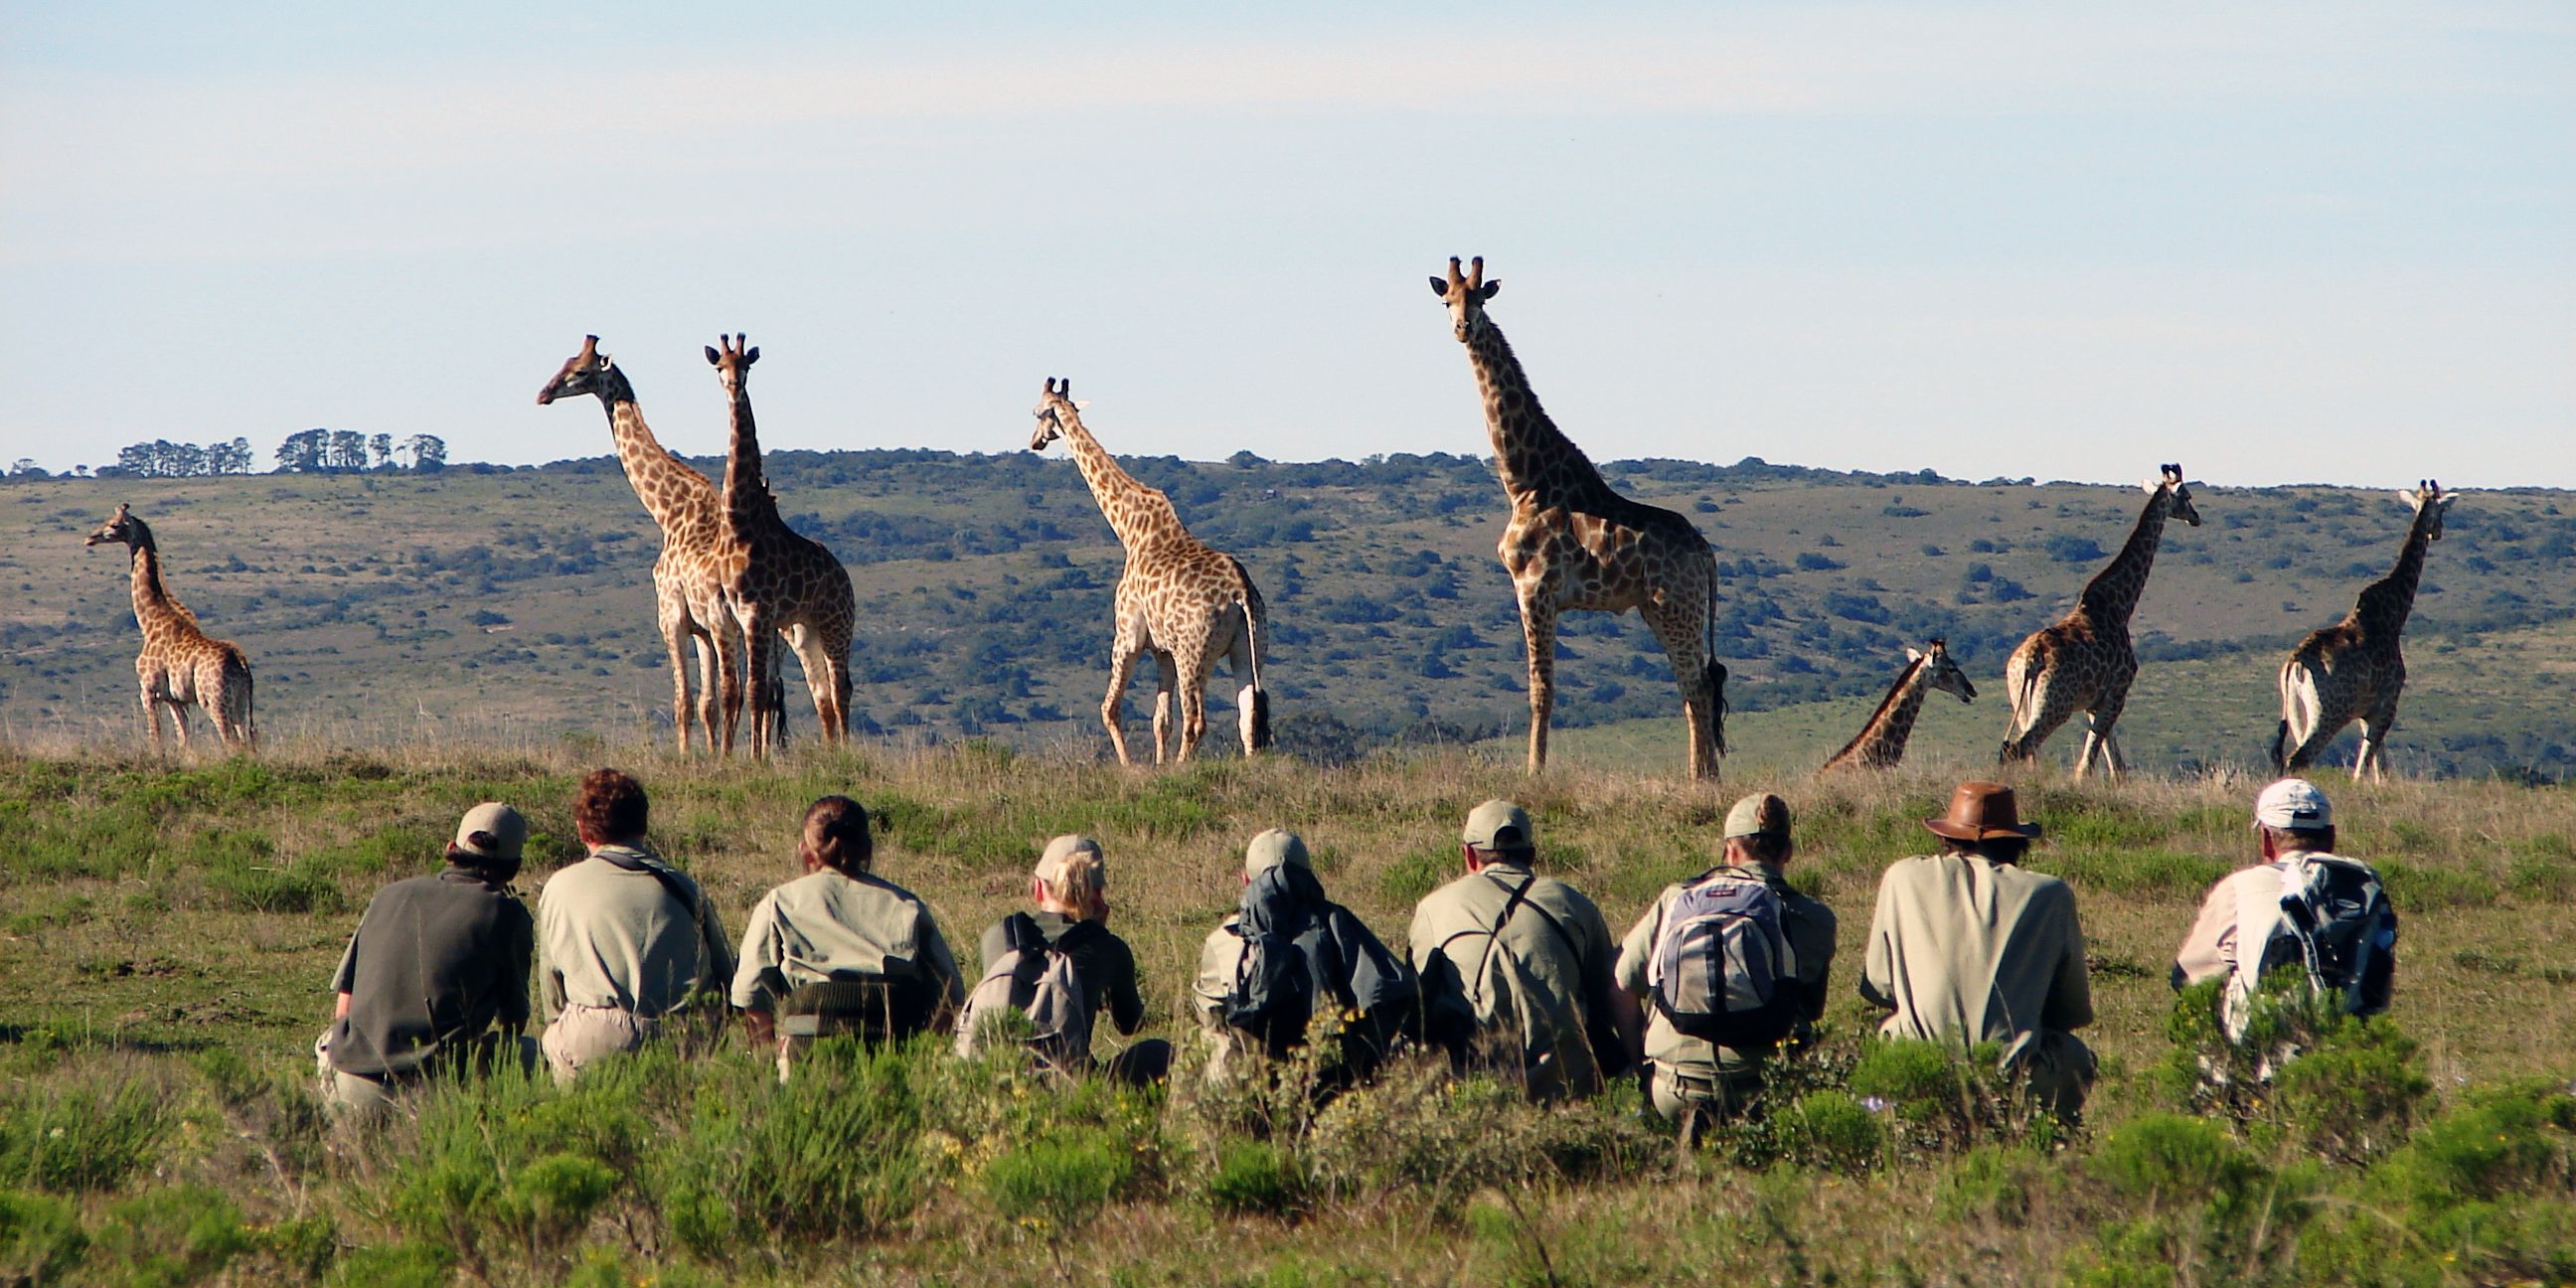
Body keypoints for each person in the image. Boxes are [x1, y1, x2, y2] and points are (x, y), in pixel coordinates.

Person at [1857, 780, 2095, 1120]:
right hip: (2013, 1079)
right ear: (2016, 842)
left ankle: (1889, 1124)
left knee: (1886, 1032)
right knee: (2074, 1054)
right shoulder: (2050, 893)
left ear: (1946, 837)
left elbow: (1879, 987)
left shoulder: (1902, 876)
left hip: (1919, 1068)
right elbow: (2071, 1013)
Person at [1614, 792, 1836, 1129]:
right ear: (1788, 852)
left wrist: (1644, 1070)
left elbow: (1622, 984)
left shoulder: (1677, 900)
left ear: (1730, 851)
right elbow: (1812, 1009)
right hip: (1764, 1091)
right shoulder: (1817, 917)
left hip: (1675, 1090)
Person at [317, 803, 537, 1114]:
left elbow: (344, 1009)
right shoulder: (507, 914)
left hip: (350, 1080)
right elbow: (513, 1022)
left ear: (451, 848)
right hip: (431, 1090)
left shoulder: (388, 895)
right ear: (515, 867)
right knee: (529, 1053)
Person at [1411, 800, 1635, 1100]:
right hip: (1567, 1086)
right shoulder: (1575, 904)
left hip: (1475, 1088)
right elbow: (1605, 999)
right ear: (1531, 855)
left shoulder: (1434, 908)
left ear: (1468, 854)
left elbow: (1417, 1006)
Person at [730, 795, 966, 1078]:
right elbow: (950, 993)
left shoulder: (780, 902)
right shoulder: (906, 905)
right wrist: (923, 1057)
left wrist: (767, 1066)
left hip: (809, 1051)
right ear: (867, 851)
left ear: (806, 852)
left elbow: (751, 995)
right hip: (892, 1053)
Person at [535, 768, 733, 1083]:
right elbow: (726, 978)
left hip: (593, 1040)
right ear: (643, 825)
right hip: (677, 1037)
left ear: (583, 831)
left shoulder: (559, 887)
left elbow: (553, 994)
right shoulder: (683, 886)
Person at [2174, 778, 2397, 1042]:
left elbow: (2190, 976)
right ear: (2331, 836)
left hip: (2264, 1048)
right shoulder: (2367, 886)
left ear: (2266, 839)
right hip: (2350, 1046)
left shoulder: (2240, 887)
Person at [1193, 828, 1417, 1088]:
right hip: (1335, 1084)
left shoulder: (1223, 940)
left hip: (1249, 1085)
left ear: (1245, 881)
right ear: (1308, 878)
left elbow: (1211, 1016)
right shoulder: (1340, 926)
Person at [969, 835, 1170, 1083]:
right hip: (1065, 1085)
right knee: (1160, 1053)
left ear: (1039, 888)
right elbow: (1130, 1024)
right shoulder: (1107, 948)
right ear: (1096, 894)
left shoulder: (996, 936)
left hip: (992, 1080)